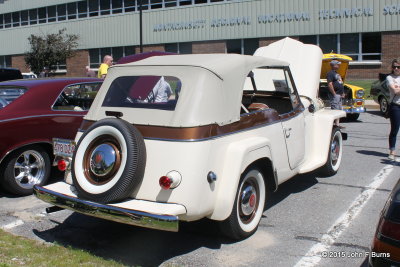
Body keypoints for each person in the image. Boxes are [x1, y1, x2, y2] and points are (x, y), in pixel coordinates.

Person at [387, 59, 400, 161]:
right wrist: (397, 89)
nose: (396, 68)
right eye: (394, 67)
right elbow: (394, 90)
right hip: (395, 106)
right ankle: (392, 151)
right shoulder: (389, 78)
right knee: (395, 129)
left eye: (398, 67)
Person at [327, 59, 345, 128]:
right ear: (333, 65)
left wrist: (342, 92)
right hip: (335, 95)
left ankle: (337, 125)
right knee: (335, 109)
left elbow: (340, 83)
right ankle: (333, 125)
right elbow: (330, 84)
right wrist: (334, 93)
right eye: (337, 64)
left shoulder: (336, 73)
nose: (339, 65)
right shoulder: (330, 73)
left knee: (339, 109)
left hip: (339, 94)